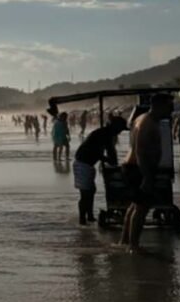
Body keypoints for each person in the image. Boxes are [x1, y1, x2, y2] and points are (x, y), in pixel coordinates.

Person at [120, 93, 174, 251]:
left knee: (135, 206)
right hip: (138, 168)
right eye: (169, 106)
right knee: (141, 208)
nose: (171, 110)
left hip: (136, 167)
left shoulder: (142, 119)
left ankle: (126, 242)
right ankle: (133, 246)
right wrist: (147, 177)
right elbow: (141, 151)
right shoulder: (147, 123)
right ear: (159, 106)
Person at [73, 116, 127, 225]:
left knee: (90, 191)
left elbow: (108, 151)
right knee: (86, 193)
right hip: (83, 163)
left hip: (87, 163)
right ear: (115, 127)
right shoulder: (105, 134)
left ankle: (90, 216)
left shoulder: (104, 133)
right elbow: (109, 151)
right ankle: (82, 219)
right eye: (120, 129)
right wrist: (111, 162)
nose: (120, 132)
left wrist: (110, 161)